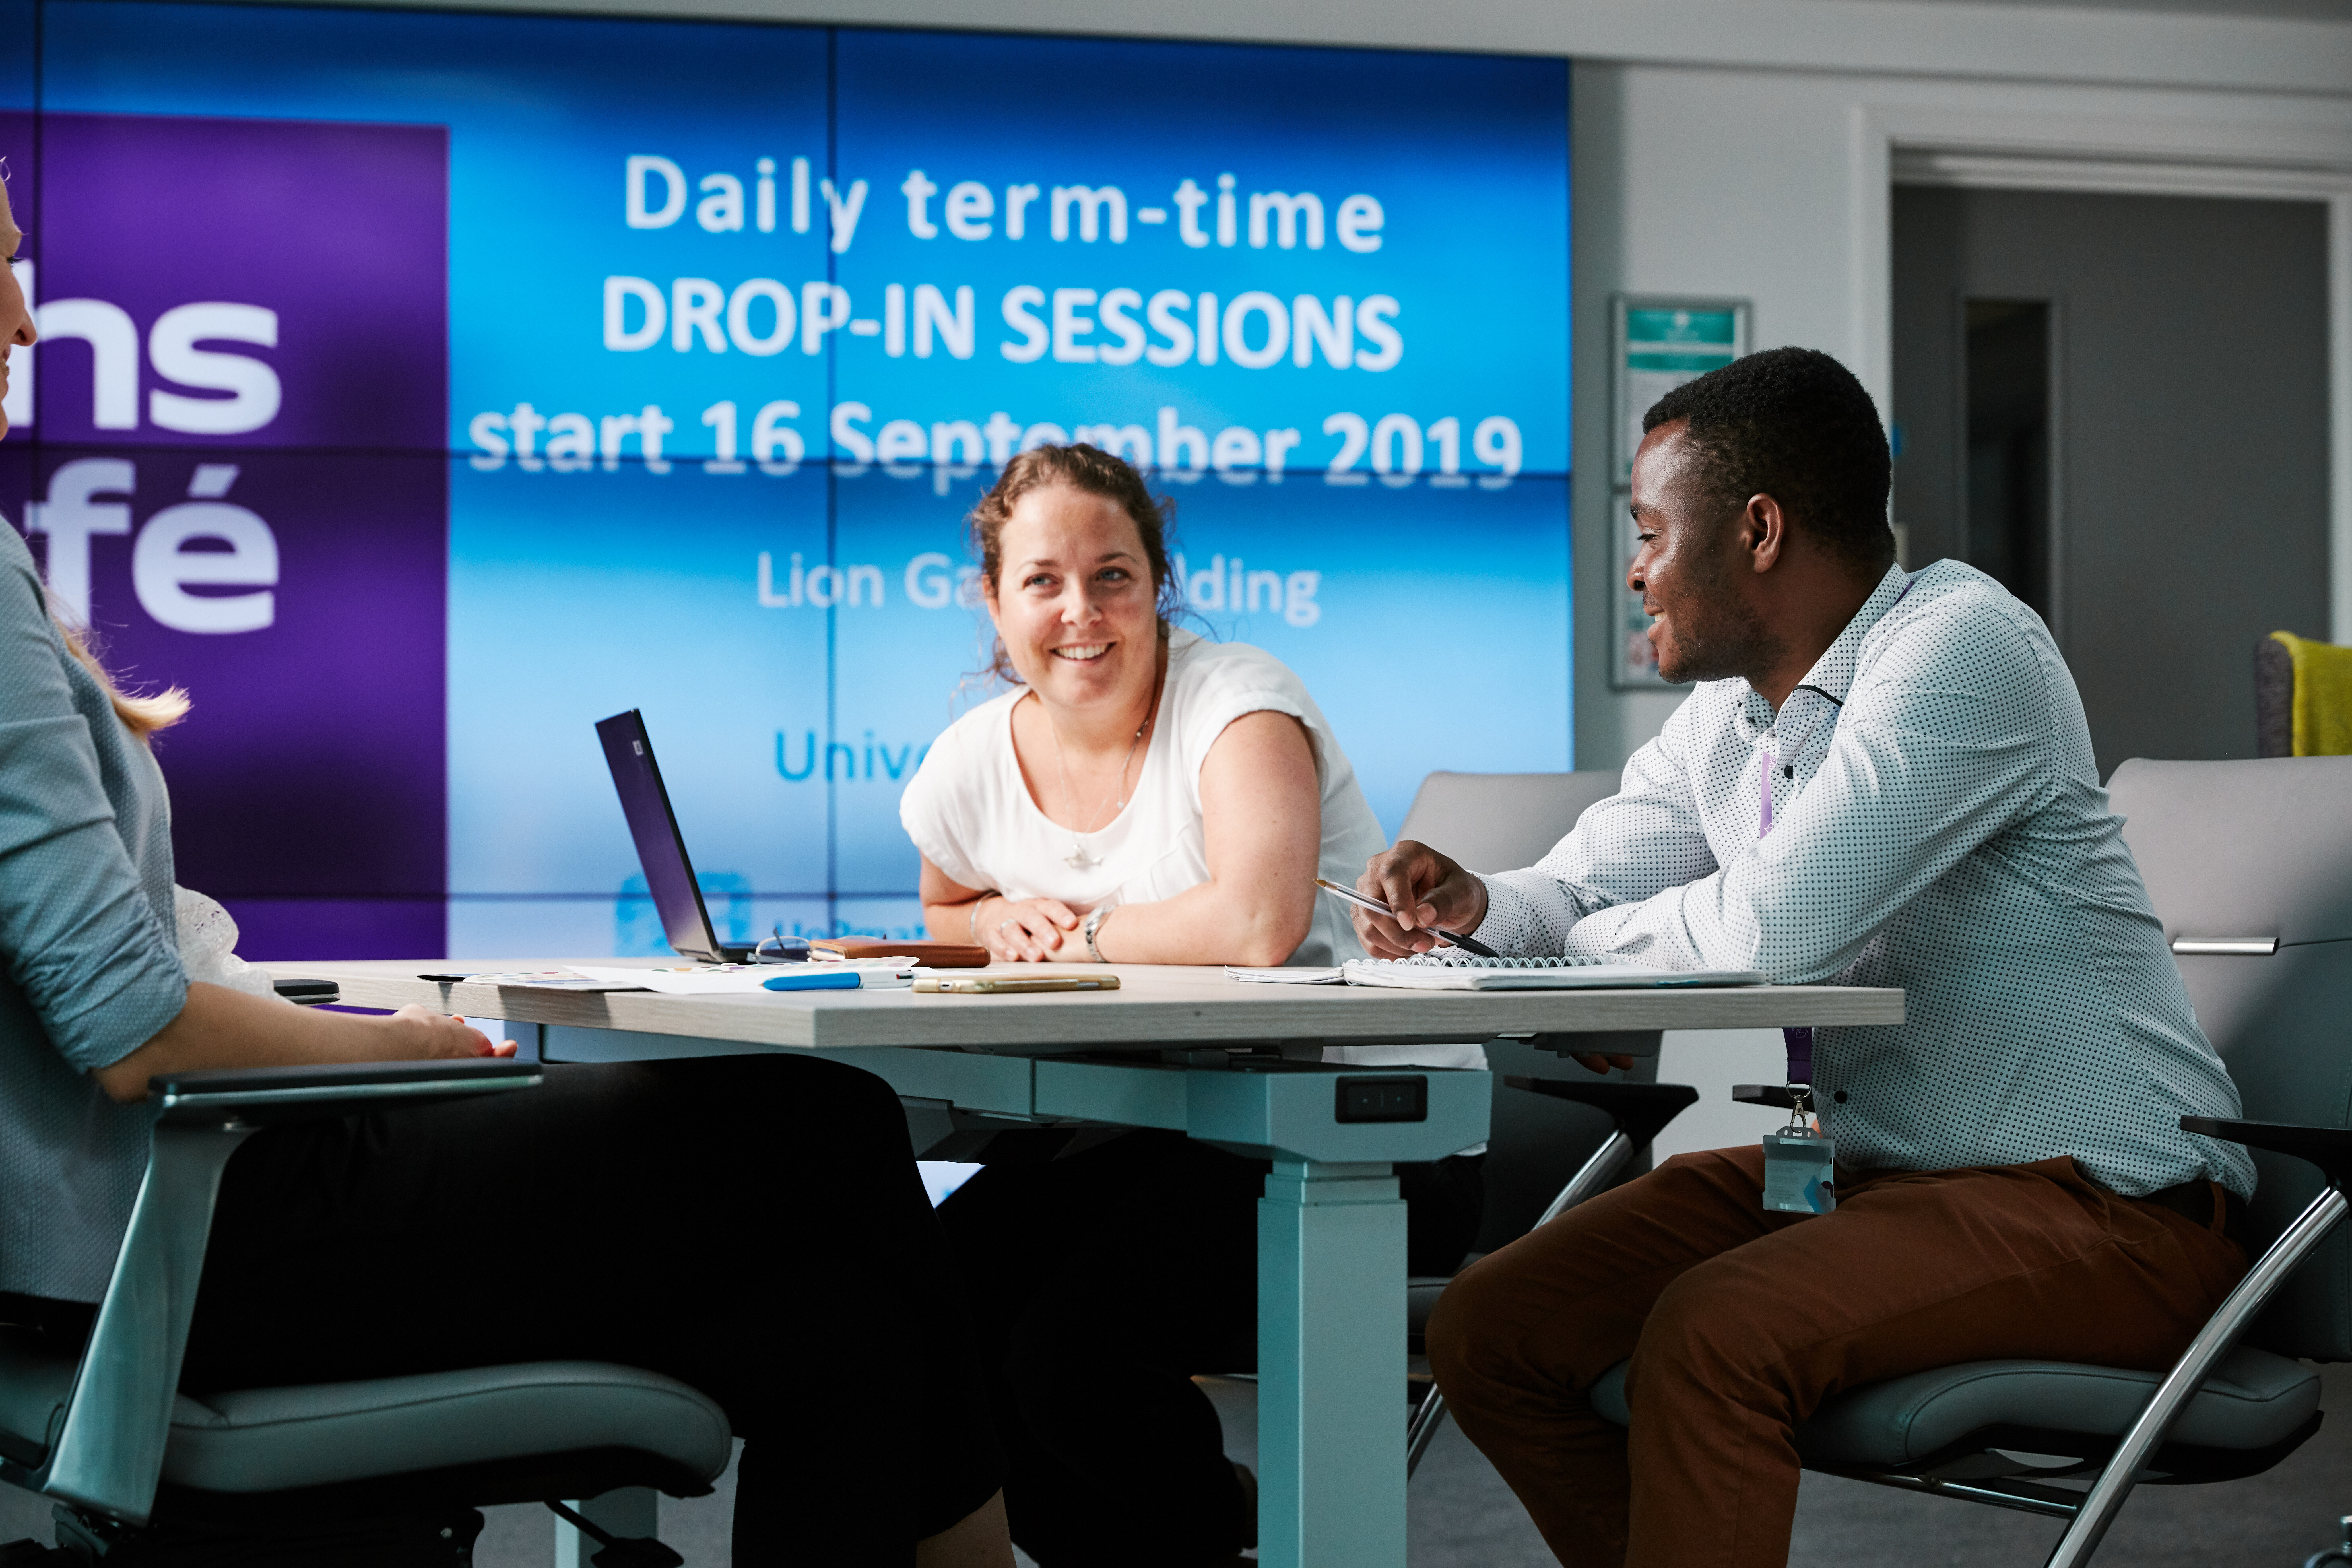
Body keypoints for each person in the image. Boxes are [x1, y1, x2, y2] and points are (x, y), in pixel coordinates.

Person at [0, 179, 1011, 1568]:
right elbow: (134, 1026)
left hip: (150, 1219)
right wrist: (396, 1048)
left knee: (839, 1338)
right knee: (823, 1124)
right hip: (175, 1227)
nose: (24, 313)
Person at [1356, 347, 2254, 1568]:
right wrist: (1475, 907)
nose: (1634, 570)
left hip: (2107, 1204)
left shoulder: (1962, 647)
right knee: (1499, 1324)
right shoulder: (1732, 720)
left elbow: (1775, 931)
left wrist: (1564, 947)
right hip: (1881, 1178)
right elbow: (1578, 885)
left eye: (1650, 533)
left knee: (1718, 1333)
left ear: (1759, 529)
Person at [897, 444, 1484, 1567]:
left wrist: (1076, 932)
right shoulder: (978, 751)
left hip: (1372, 1135)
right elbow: (941, 906)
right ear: (993, 598)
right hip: (1166, 1132)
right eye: (1044, 580)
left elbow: (1257, 922)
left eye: (1114, 575)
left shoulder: (1238, 699)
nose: (1082, 612)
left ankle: (1215, 1525)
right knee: (941, 1308)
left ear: (1159, 584)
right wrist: (995, 920)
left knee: (1069, 1353)